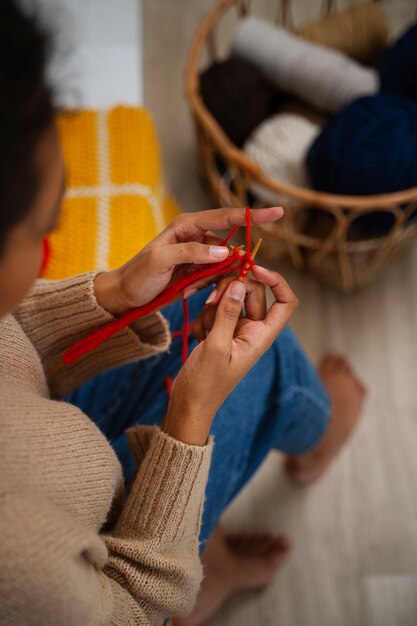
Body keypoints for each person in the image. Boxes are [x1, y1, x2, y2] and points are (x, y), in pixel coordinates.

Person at [0, 1, 365, 625]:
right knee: (263, 359)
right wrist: (190, 416)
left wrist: (117, 291)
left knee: (194, 306)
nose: (49, 254)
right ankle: (314, 436)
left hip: (47, 446)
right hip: (114, 577)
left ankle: (218, 540)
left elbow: (11, 349)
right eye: (41, 231)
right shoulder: (17, 551)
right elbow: (128, 612)